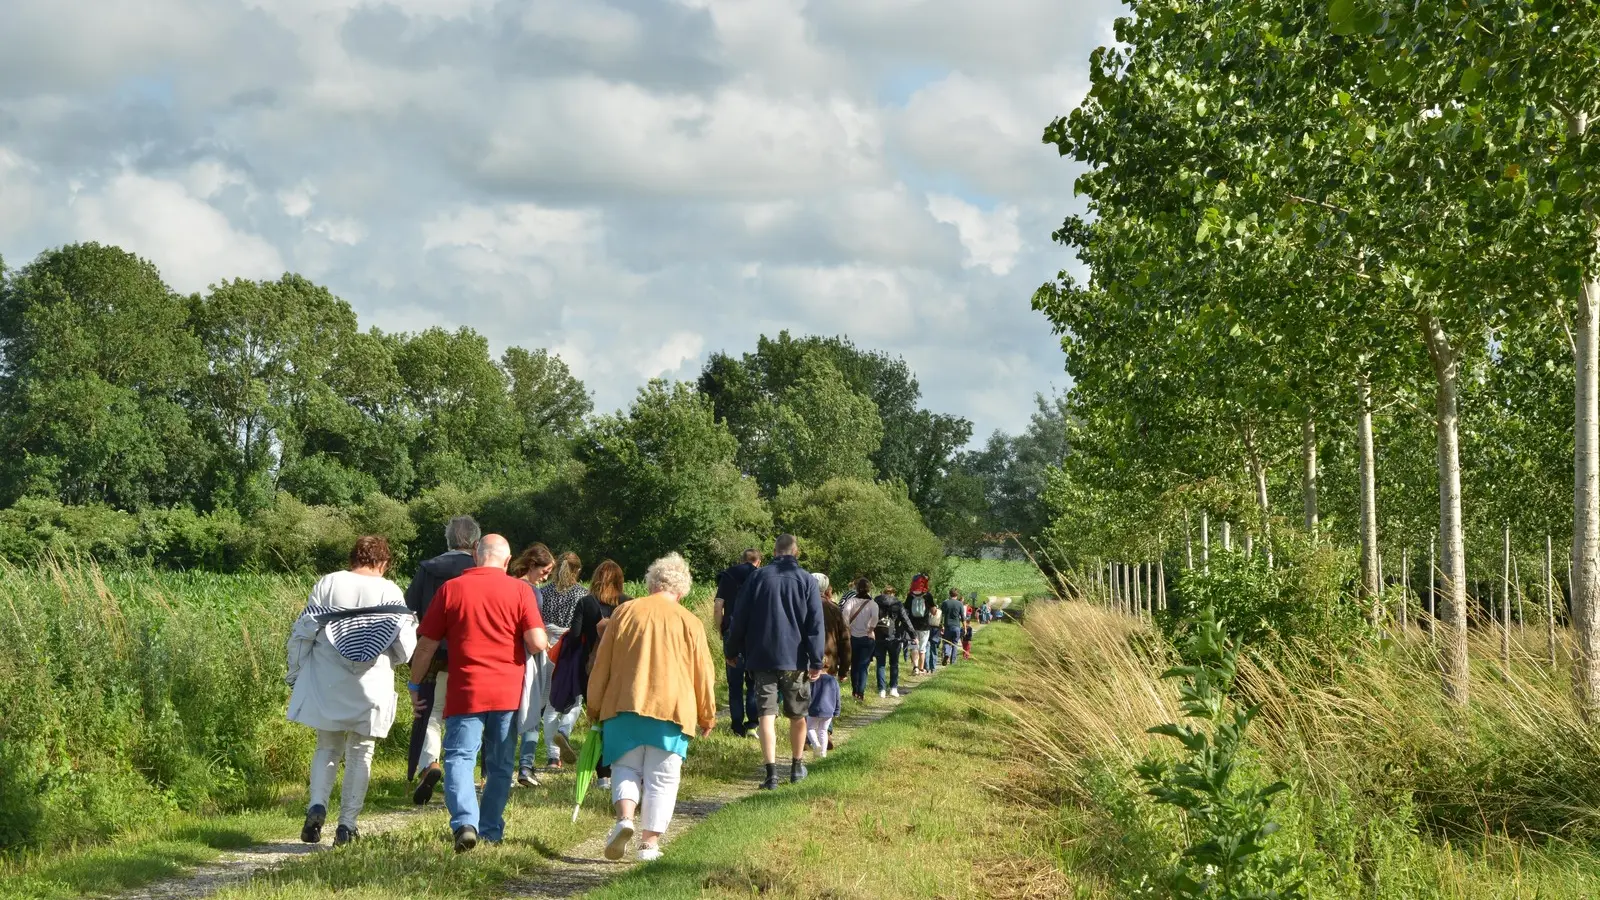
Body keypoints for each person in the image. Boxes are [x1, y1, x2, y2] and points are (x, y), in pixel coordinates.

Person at [407, 535, 548, 853]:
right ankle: (491, 830)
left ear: (475, 555)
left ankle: (465, 823)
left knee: (459, 757)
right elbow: (537, 642)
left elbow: (427, 644)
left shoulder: (451, 589)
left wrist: (415, 685)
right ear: (508, 560)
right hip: (507, 693)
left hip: (465, 690)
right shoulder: (521, 591)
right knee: (499, 764)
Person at [587, 553, 716, 863]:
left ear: (651, 583)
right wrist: (706, 714)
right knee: (663, 778)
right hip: (671, 710)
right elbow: (703, 673)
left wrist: (594, 706)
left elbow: (601, 664)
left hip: (623, 705)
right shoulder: (690, 622)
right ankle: (649, 844)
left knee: (624, 767)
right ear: (682, 590)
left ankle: (625, 819)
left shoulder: (624, 612)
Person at [287, 536, 416, 846]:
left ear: (353, 558)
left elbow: (306, 629)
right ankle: (347, 826)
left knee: (327, 746)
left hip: (327, 676)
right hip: (371, 679)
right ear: (384, 563)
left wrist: (297, 671)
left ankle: (316, 805)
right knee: (361, 752)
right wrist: (392, 660)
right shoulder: (390, 590)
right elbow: (406, 646)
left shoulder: (329, 583)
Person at [724, 534, 824, 790]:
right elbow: (814, 623)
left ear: (774, 551)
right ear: (796, 552)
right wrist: (816, 659)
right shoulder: (806, 580)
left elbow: (740, 618)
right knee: (797, 714)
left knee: (766, 714)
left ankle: (771, 774)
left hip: (761, 656)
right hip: (796, 658)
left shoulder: (757, 577)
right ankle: (796, 765)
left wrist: (732, 650)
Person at [403, 515, 480, 804]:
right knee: (467, 714)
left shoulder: (428, 569)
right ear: (474, 543)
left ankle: (430, 762)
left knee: (432, 712)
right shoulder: (479, 570)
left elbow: (410, 608)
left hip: (434, 651)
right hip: (471, 653)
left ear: (448, 540)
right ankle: (463, 771)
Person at [567, 559, 631, 791]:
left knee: (597, 722)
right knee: (617, 719)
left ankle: (602, 775)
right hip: (620, 670)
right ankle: (620, 769)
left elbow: (574, 636)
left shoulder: (586, 603)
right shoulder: (629, 604)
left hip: (592, 669)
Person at [508, 543, 556, 787]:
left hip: (507, 658)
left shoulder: (507, 584)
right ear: (532, 565)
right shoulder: (532, 592)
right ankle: (525, 766)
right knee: (532, 711)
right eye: (545, 571)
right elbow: (532, 627)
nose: (546, 577)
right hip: (529, 655)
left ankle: (494, 770)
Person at [536, 552, 590, 770]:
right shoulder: (582, 594)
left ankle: (552, 757)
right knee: (575, 699)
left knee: (550, 704)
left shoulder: (544, 592)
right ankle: (564, 729)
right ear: (577, 570)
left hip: (547, 646)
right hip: (570, 649)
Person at [713, 549, 763, 737]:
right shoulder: (760, 576)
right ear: (758, 561)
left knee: (734, 683)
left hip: (731, 632)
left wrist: (719, 629)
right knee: (752, 680)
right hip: (754, 635)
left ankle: (736, 725)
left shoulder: (728, 575)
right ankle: (752, 723)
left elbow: (718, 606)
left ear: (741, 560)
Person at [807, 573, 848, 758]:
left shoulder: (803, 606)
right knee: (827, 695)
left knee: (807, 695)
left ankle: (808, 736)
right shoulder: (834, 609)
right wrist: (845, 667)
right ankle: (826, 732)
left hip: (806, 659)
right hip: (828, 660)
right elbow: (845, 639)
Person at [872, 586, 915, 698]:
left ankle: (881, 690)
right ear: (893, 593)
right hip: (894, 636)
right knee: (894, 664)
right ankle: (893, 688)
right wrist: (913, 635)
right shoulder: (898, 604)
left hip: (879, 635)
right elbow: (906, 620)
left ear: (883, 592)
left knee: (880, 664)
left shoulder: (876, 602)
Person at [842, 577, 878, 701]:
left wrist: (848, 628)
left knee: (855, 665)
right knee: (863, 666)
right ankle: (861, 692)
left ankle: (854, 690)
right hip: (867, 638)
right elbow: (875, 617)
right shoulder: (873, 604)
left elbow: (845, 616)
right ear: (869, 589)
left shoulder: (851, 602)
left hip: (852, 637)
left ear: (857, 588)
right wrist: (870, 629)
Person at [906, 574, 934, 675]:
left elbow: (906, 610)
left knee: (914, 647)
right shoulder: (928, 596)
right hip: (925, 626)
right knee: (922, 648)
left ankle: (915, 668)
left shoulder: (910, 595)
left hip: (912, 626)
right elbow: (934, 611)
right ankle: (922, 669)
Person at [940, 588, 966, 667]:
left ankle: (947, 653)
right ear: (957, 595)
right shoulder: (960, 604)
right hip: (956, 627)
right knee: (955, 644)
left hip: (947, 626)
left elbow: (941, 615)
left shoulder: (945, 603)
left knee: (946, 642)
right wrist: (965, 628)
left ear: (949, 594)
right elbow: (963, 617)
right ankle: (953, 662)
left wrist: (941, 625)